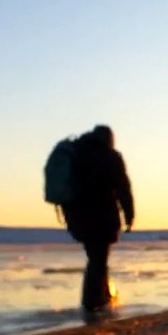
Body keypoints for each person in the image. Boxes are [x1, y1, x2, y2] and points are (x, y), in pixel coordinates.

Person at [62, 124, 134, 317]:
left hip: (78, 218)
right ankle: (93, 303)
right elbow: (123, 187)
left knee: (96, 258)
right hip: (102, 216)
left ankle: (100, 299)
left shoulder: (77, 155)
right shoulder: (110, 156)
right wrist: (129, 215)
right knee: (98, 260)